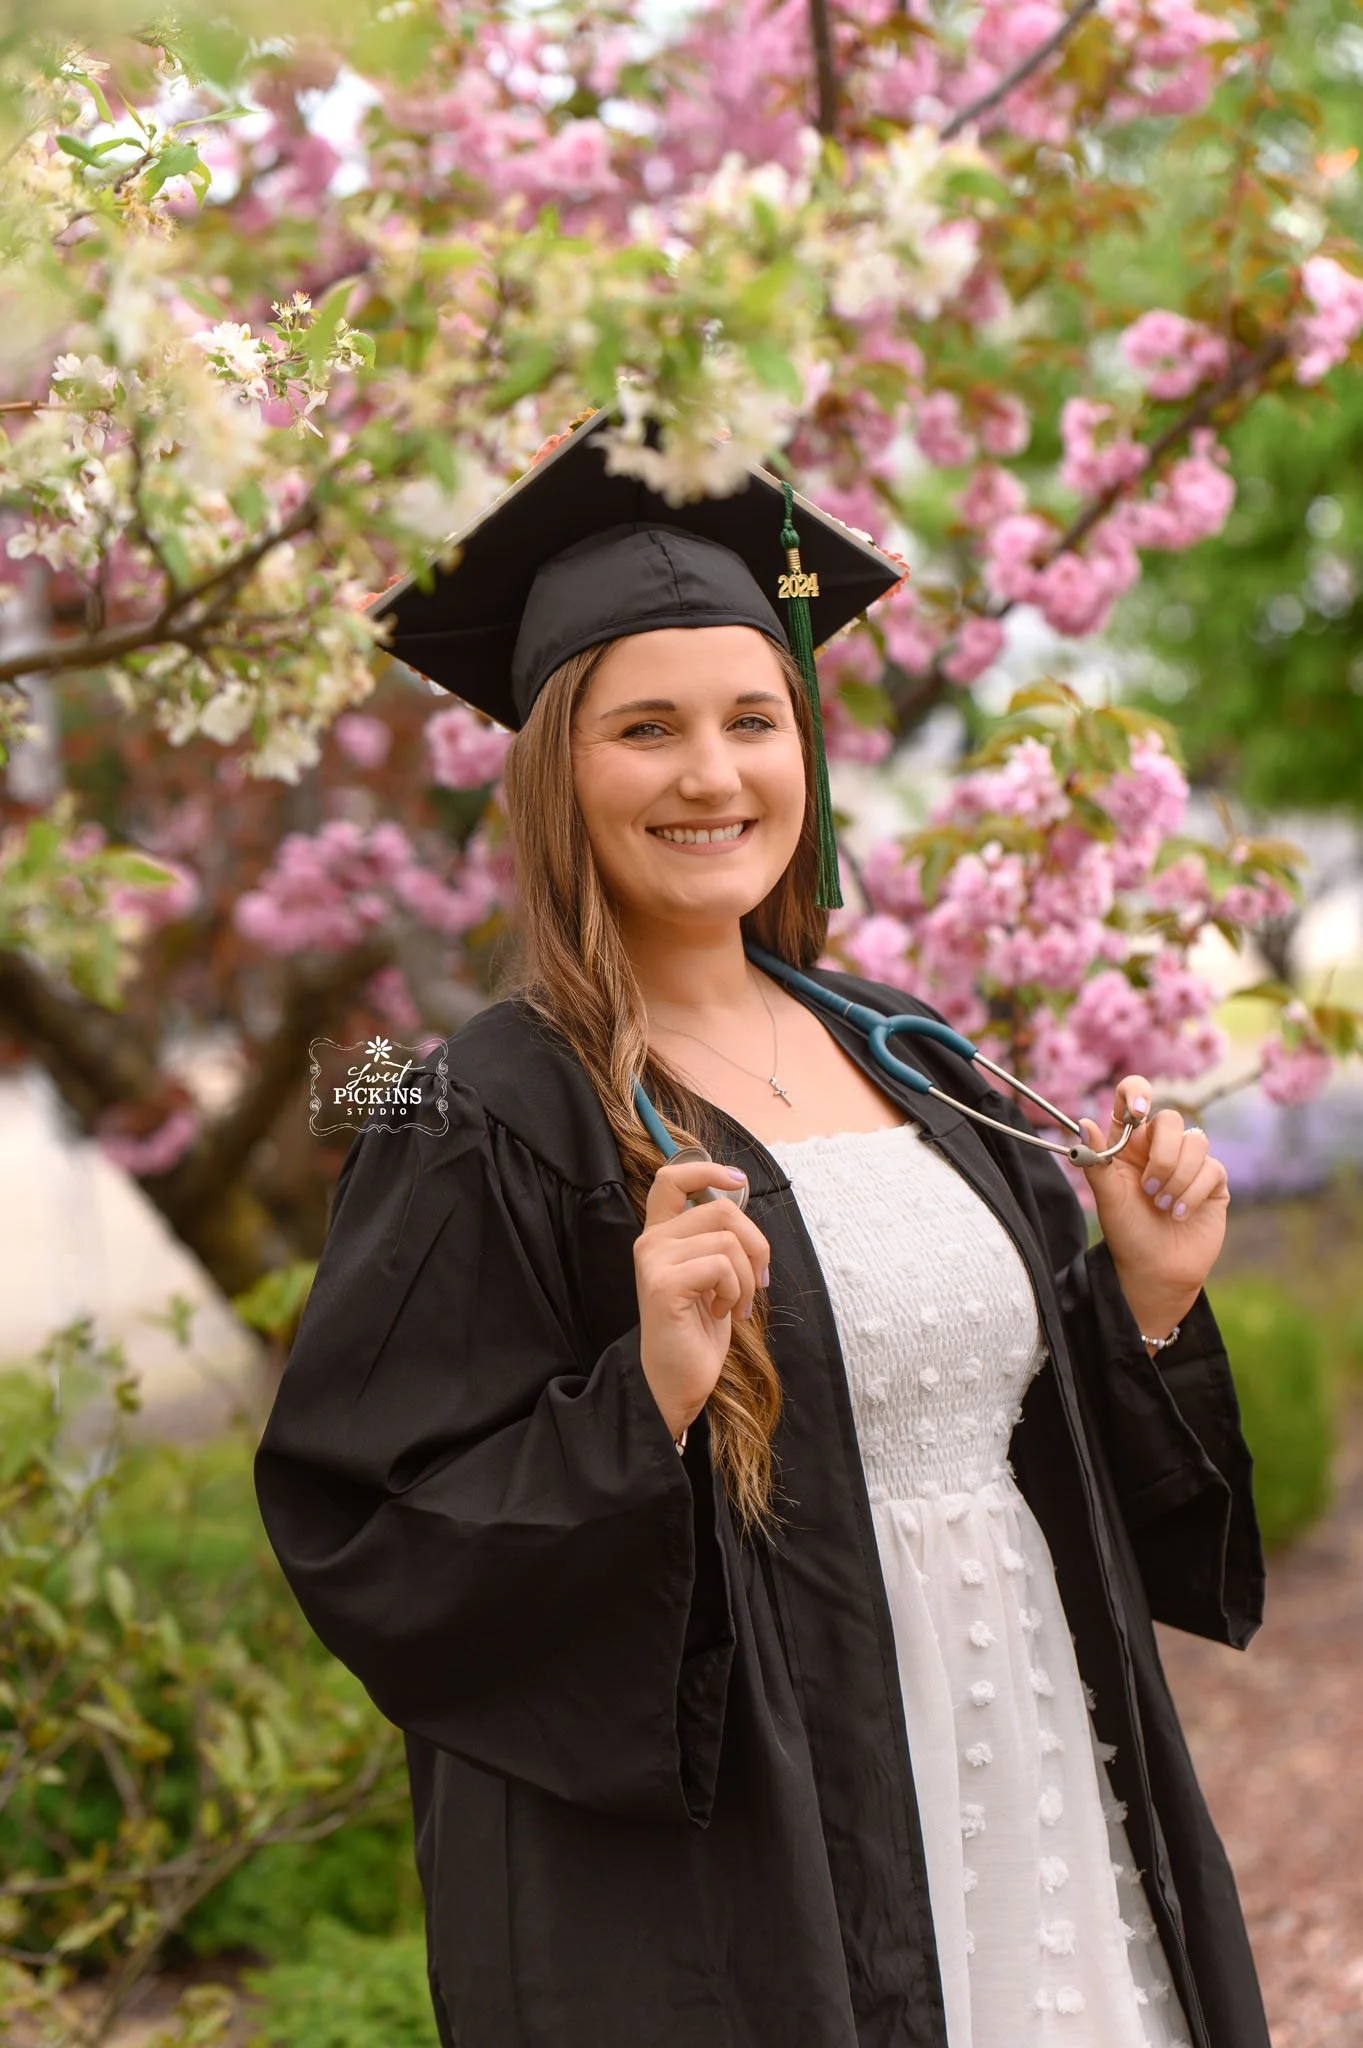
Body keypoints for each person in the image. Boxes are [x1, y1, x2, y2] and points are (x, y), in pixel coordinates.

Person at [253, 409, 1269, 2048]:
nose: (712, 775)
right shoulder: (482, 1110)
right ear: (553, 767)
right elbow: (366, 1524)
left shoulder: (907, 1046)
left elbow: (992, 1428)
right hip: (758, 1854)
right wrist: (642, 1393)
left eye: (751, 718)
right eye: (644, 730)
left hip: (1023, 1732)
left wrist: (1140, 1303)